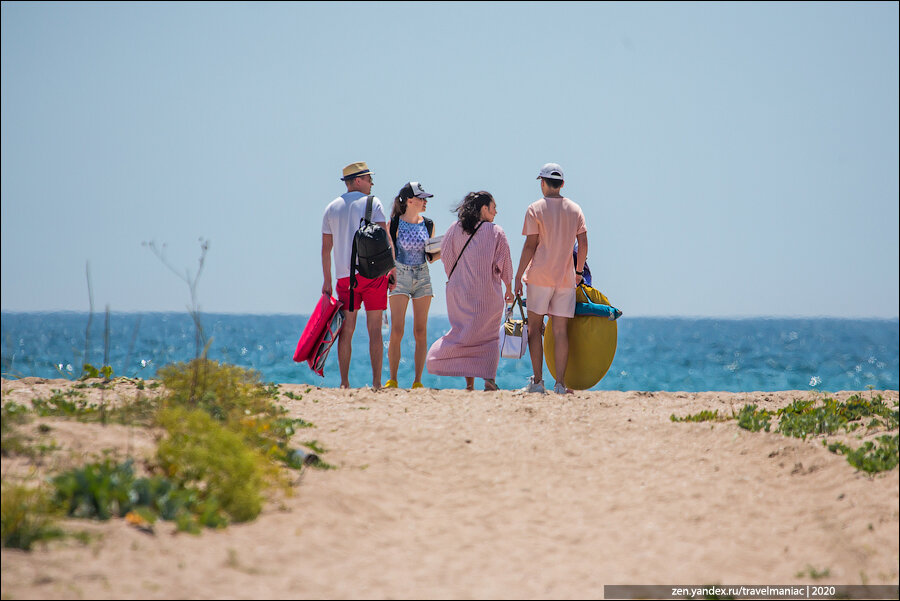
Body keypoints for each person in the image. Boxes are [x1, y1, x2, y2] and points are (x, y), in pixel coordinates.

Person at [426, 191, 514, 391]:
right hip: (488, 295)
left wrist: (460, 279)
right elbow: (505, 263)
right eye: (493, 208)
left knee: (465, 335)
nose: (496, 212)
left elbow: (447, 257)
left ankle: (468, 383)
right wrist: (508, 287)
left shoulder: (455, 229)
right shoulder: (496, 231)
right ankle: (489, 380)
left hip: (460, 294)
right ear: (484, 209)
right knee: (489, 338)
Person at [514, 163, 587, 394]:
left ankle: (538, 381)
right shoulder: (575, 209)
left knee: (534, 329)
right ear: (562, 184)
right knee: (560, 331)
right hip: (565, 279)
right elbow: (583, 244)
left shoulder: (535, 208)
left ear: (543, 183)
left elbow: (530, 245)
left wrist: (517, 276)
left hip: (539, 277)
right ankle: (561, 384)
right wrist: (578, 272)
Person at [321, 161, 395, 389]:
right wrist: (391, 271)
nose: (372, 183)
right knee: (375, 330)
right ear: (357, 180)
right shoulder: (373, 203)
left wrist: (327, 280)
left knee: (347, 330)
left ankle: (344, 382)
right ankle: (376, 383)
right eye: (369, 178)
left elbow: (326, 248)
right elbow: (385, 238)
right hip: (373, 275)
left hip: (345, 278)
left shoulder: (331, 208)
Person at [385, 182, 439, 389]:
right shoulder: (394, 224)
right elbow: (390, 254)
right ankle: (393, 378)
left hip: (422, 275)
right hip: (400, 275)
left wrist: (443, 249)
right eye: (421, 198)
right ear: (409, 200)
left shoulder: (428, 224)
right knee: (397, 330)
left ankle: (417, 381)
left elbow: (431, 257)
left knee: (420, 331)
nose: (425, 202)